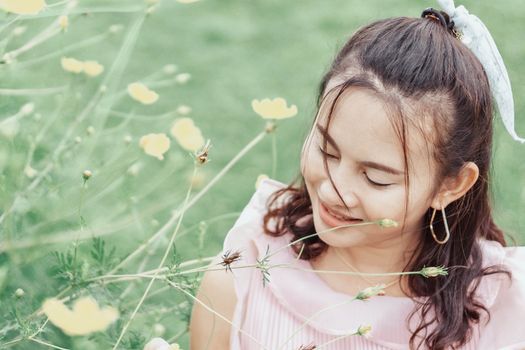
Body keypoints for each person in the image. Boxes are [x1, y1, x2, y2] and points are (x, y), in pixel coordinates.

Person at [188, 2, 525, 350]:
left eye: (376, 178)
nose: (335, 191)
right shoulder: (244, 275)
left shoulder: (502, 313)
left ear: (451, 184)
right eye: (327, 151)